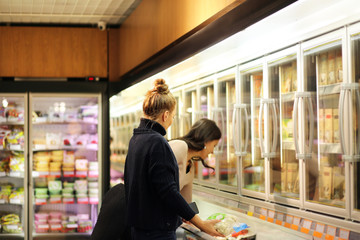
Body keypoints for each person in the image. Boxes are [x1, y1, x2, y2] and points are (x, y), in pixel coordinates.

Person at [124, 79, 223, 240]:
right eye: (173, 117)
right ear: (166, 115)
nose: (171, 121)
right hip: (157, 232)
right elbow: (168, 191)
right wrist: (201, 224)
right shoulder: (157, 142)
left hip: (139, 229)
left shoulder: (137, 140)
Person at [169, 118, 221, 203]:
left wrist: (195, 216)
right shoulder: (180, 147)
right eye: (214, 145)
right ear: (206, 141)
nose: (212, 151)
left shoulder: (190, 168)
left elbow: (186, 202)